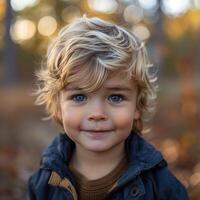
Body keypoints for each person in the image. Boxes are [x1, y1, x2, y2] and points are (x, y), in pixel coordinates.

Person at [27, 16, 189, 200]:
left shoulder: (161, 188)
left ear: (137, 104)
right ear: (58, 105)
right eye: (79, 97)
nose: (97, 114)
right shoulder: (43, 184)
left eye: (115, 97)